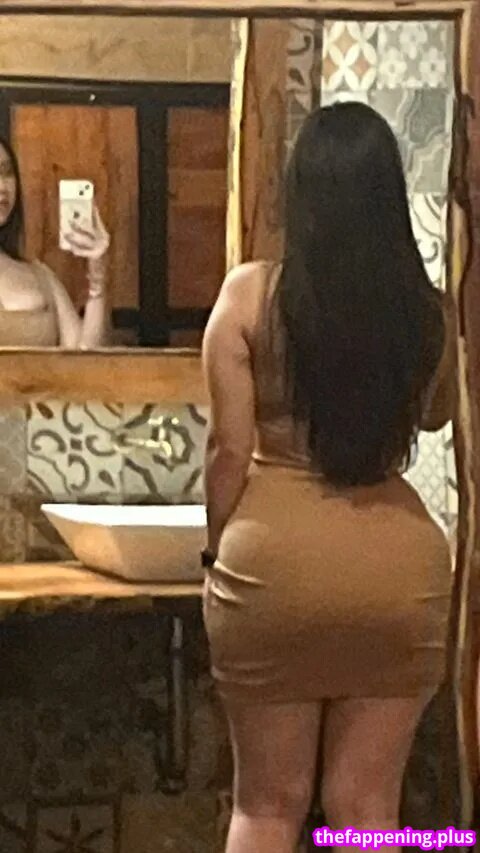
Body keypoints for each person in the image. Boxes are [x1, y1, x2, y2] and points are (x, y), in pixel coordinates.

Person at [201, 103, 456, 853]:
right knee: (366, 807)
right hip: (400, 571)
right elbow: (436, 415)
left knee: (267, 804)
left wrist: (217, 557)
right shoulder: (427, 314)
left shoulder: (248, 296)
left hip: (271, 571)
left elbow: (226, 451)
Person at [0, 136, 110, 348]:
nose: (2, 186)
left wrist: (98, 280)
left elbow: (85, 359)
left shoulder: (40, 275)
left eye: (7, 172)